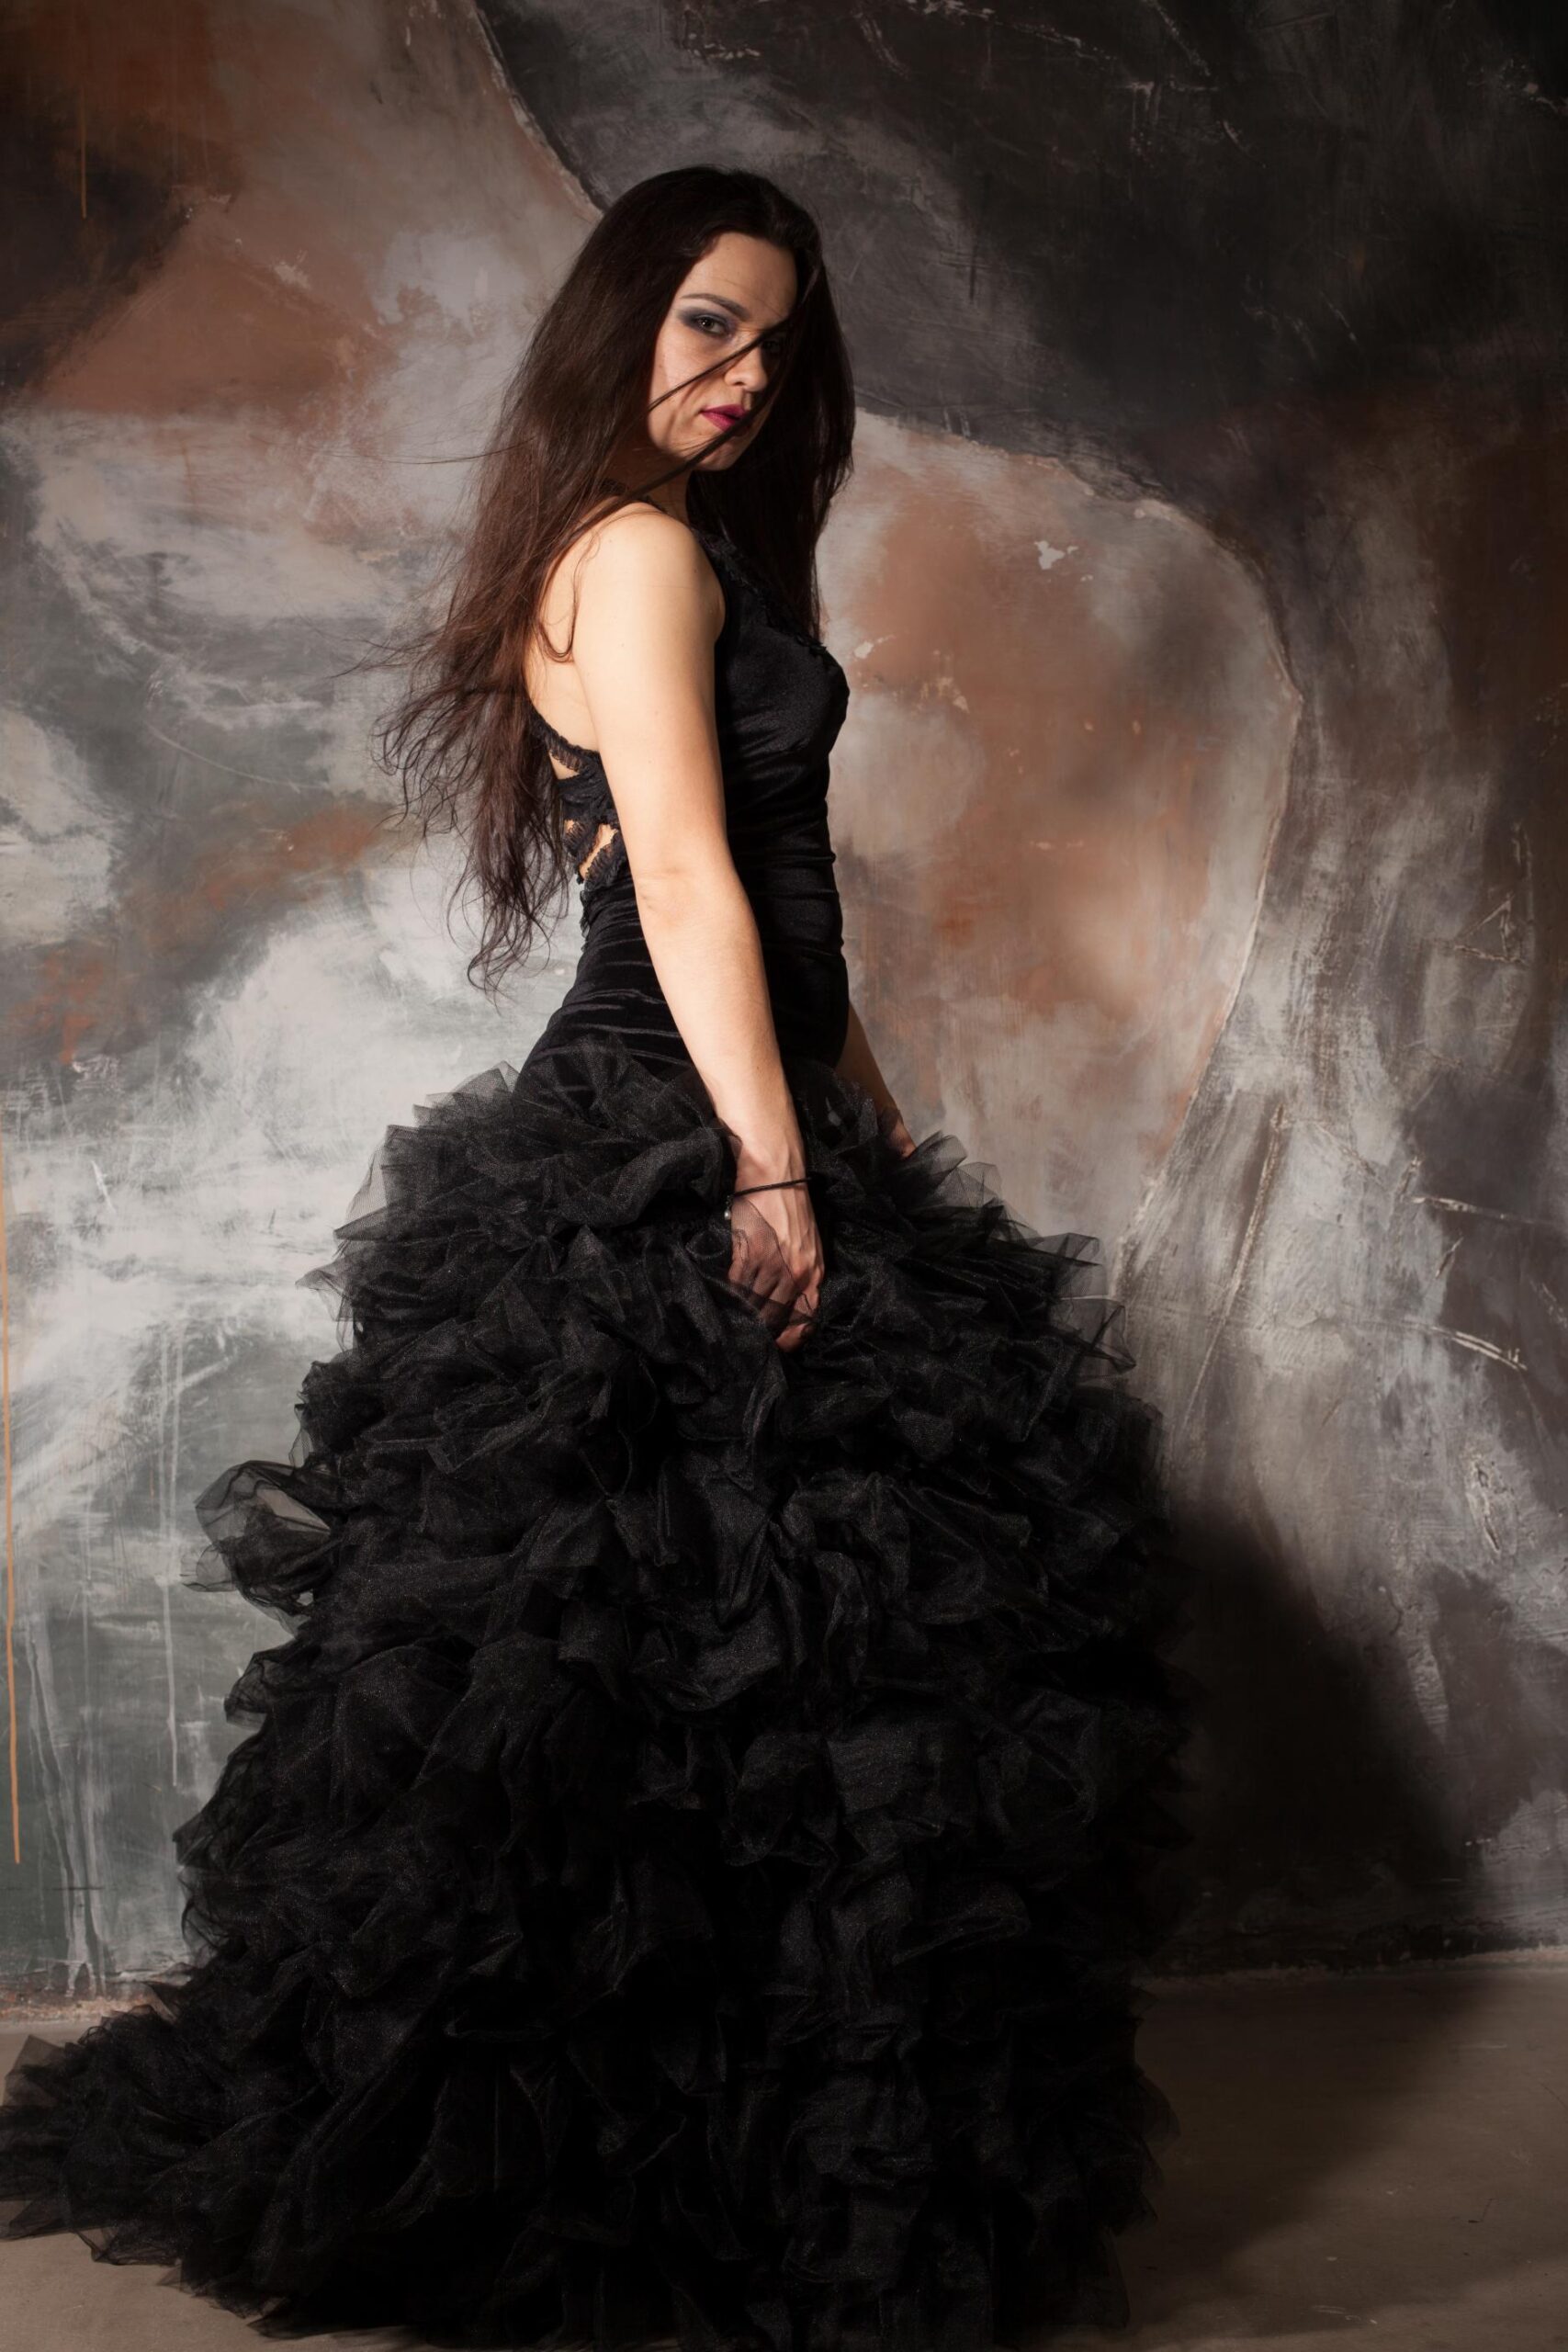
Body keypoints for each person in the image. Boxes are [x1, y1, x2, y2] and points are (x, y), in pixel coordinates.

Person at [0, 166, 1192, 2350]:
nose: (741, 378)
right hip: (670, 1114)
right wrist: (765, 1168)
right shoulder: (633, 551)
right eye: (705, 327)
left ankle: (735, 2142)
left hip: (755, 1095)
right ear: (619, 322)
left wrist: (866, 1112)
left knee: (785, 1665)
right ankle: (602, 2172)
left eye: (773, 343)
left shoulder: (690, 548)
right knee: (651, 1657)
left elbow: (776, 874)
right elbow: (683, 892)